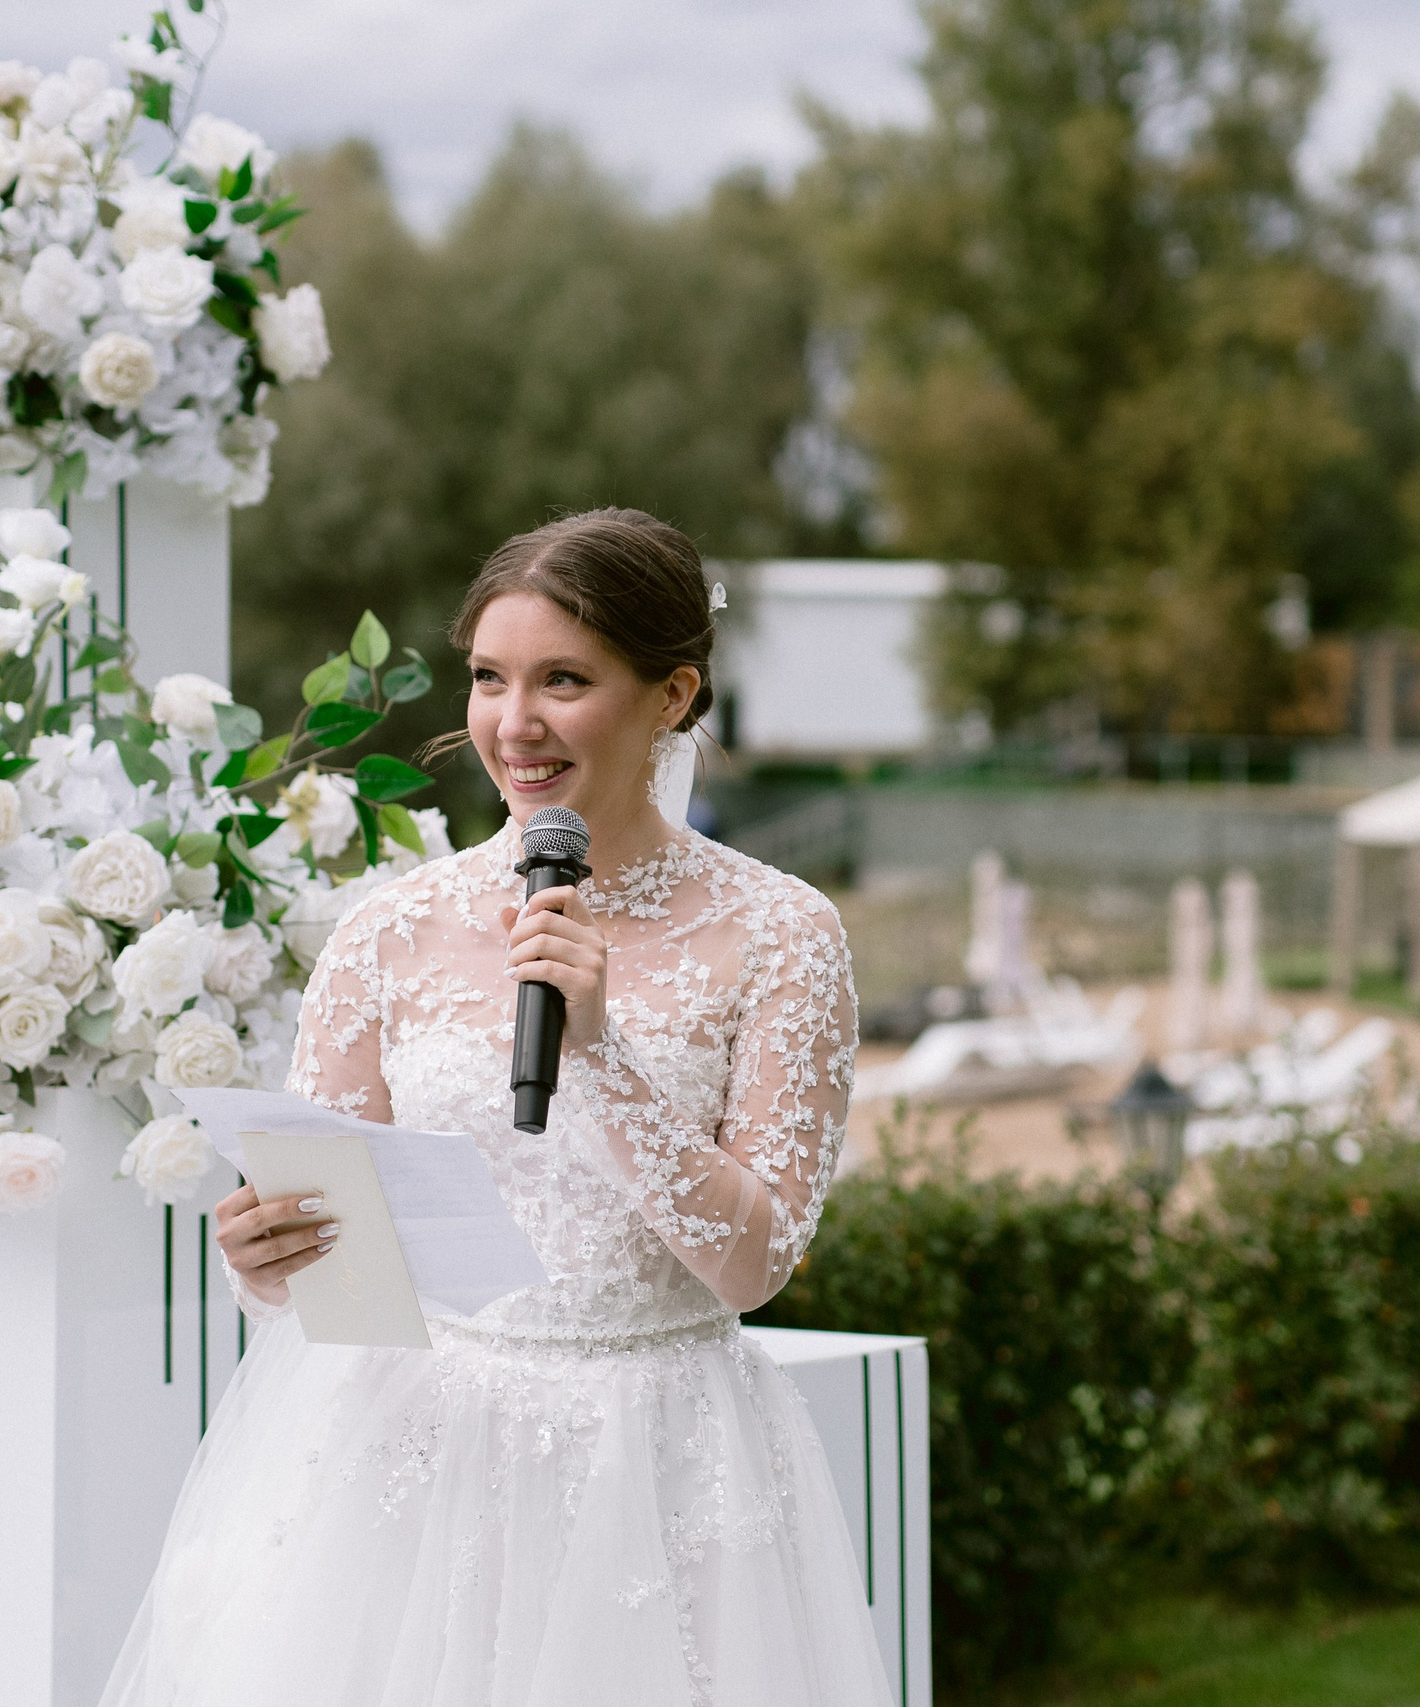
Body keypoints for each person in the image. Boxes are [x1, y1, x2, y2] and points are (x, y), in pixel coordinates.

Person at [101, 510, 893, 1705]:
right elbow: (336, 1265)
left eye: (563, 681)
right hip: (410, 1468)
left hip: (658, 1463)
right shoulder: (390, 930)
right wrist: (269, 1258)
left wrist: (602, 1057)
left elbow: (754, 1263)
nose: (512, 725)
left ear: (671, 694)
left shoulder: (782, 934)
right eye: (488, 679)